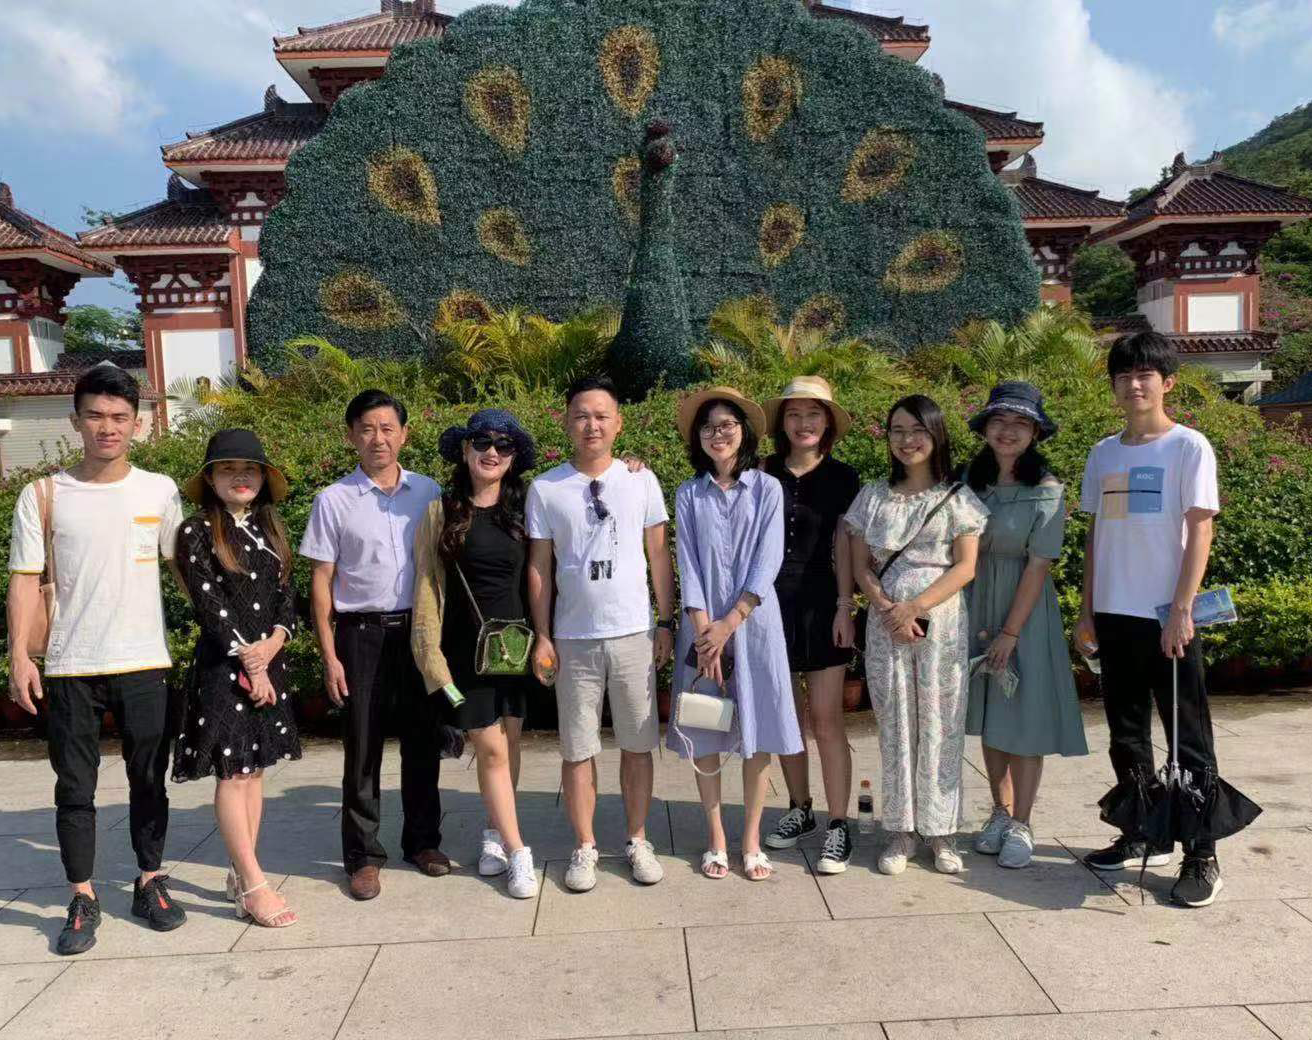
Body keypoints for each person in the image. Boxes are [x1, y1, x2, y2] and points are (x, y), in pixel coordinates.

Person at [6, 363, 186, 955]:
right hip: (69, 664)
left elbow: (188, 574)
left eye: (119, 417)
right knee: (74, 788)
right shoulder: (43, 495)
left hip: (143, 660)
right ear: (76, 420)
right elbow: (24, 580)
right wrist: (19, 658)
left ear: (139, 423)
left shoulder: (159, 490)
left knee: (148, 780)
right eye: (96, 416)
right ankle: (81, 894)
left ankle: (149, 878)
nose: (108, 428)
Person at [1073, 331, 1223, 907]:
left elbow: (1200, 529)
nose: (1134, 385)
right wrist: (1087, 612)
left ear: (1167, 383)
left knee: (1188, 739)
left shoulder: (1189, 447)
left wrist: (1183, 609)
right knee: (1127, 734)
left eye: (1145, 375)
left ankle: (1202, 853)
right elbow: (1096, 537)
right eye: (1123, 376)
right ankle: (1144, 831)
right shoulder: (1103, 452)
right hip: (1115, 615)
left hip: (1168, 618)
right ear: (1113, 385)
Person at [526, 374, 676, 893]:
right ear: (567, 422)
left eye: (601, 415)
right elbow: (539, 567)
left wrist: (665, 621)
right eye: (581, 415)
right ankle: (585, 845)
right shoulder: (545, 487)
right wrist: (543, 635)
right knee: (577, 748)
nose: (592, 424)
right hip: (573, 637)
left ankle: (637, 839)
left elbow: (658, 554)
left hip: (633, 632)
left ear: (618, 423)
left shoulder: (642, 481)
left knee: (637, 743)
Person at [300, 389, 445, 901]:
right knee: (361, 749)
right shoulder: (333, 500)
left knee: (424, 744)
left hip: (420, 635)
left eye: (388, 428)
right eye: (367, 428)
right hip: (359, 636)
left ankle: (423, 842)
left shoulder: (430, 492)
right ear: (351, 436)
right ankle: (362, 857)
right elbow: (321, 581)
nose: (378, 438)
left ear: (405, 433)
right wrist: (329, 655)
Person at [844, 394, 988, 876]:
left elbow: (966, 566)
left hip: (941, 621)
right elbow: (861, 563)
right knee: (897, 724)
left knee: (941, 721)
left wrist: (916, 606)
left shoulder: (957, 498)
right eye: (898, 430)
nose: (907, 441)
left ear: (936, 435)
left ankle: (943, 832)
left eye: (917, 431)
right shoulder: (873, 495)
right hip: (887, 624)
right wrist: (887, 607)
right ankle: (901, 830)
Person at [668, 387, 803, 881]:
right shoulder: (688, 493)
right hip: (702, 629)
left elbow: (769, 561)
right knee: (706, 729)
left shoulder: (767, 488)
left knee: (757, 733)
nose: (718, 434)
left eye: (727, 425)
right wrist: (705, 634)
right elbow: (689, 564)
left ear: (743, 431)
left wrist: (730, 623)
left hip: (754, 626)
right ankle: (716, 838)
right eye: (708, 427)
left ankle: (750, 838)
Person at [172, 429, 301, 926]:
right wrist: (251, 661)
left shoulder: (272, 530)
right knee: (233, 772)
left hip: (270, 663)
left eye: (249, 469)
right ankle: (253, 882)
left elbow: (286, 598)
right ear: (210, 478)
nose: (240, 477)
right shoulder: (197, 531)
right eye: (228, 469)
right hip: (223, 670)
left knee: (256, 769)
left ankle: (238, 869)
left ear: (264, 479)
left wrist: (274, 644)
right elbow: (210, 605)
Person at [412, 409, 540, 900]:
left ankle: (492, 833)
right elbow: (426, 584)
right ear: (465, 451)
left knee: (509, 744)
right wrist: (431, 658)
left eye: (503, 445)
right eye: (481, 442)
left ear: (513, 458)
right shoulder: (442, 510)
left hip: (515, 646)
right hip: (465, 650)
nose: (491, 451)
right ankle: (519, 851)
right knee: (488, 748)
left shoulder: (526, 506)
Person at [962, 383, 1088, 870]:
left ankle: (1023, 822)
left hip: (1026, 610)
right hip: (975, 604)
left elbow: (1039, 564)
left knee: (1024, 719)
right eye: (998, 421)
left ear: (1035, 432)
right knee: (993, 715)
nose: (1007, 431)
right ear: (986, 429)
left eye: (1019, 423)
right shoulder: (970, 483)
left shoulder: (1048, 490)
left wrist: (1010, 633)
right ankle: (998, 810)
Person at [759, 376, 861, 873]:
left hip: (823, 602)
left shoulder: (844, 477)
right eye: (795, 415)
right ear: (782, 422)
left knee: (825, 718)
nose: (804, 424)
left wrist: (846, 605)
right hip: (771, 604)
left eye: (813, 415)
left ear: (828, 424)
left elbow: (847, 545)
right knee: (787, 717)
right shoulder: (762, 472)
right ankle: (799, 809)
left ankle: (840, 822)